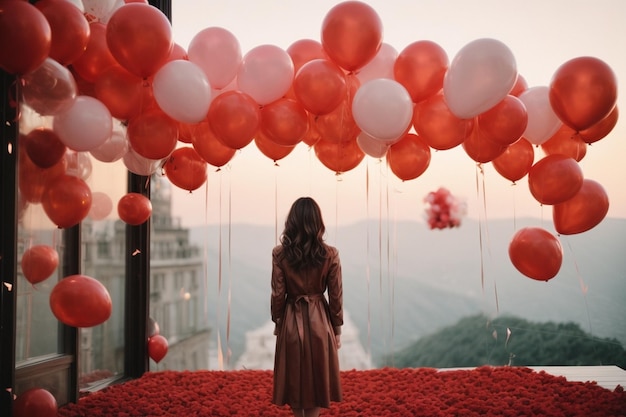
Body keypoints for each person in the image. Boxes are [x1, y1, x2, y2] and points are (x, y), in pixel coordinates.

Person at [271, 197, 343, 417]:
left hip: (291, 319)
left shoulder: (280, 254)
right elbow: (336, 296)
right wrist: (337, 330)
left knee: (294, 377)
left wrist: (279, 322)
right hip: (320, 321)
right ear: (317, 222)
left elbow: (277, 294)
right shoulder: (330, 254)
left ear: (291, 222)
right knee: (316, 381)